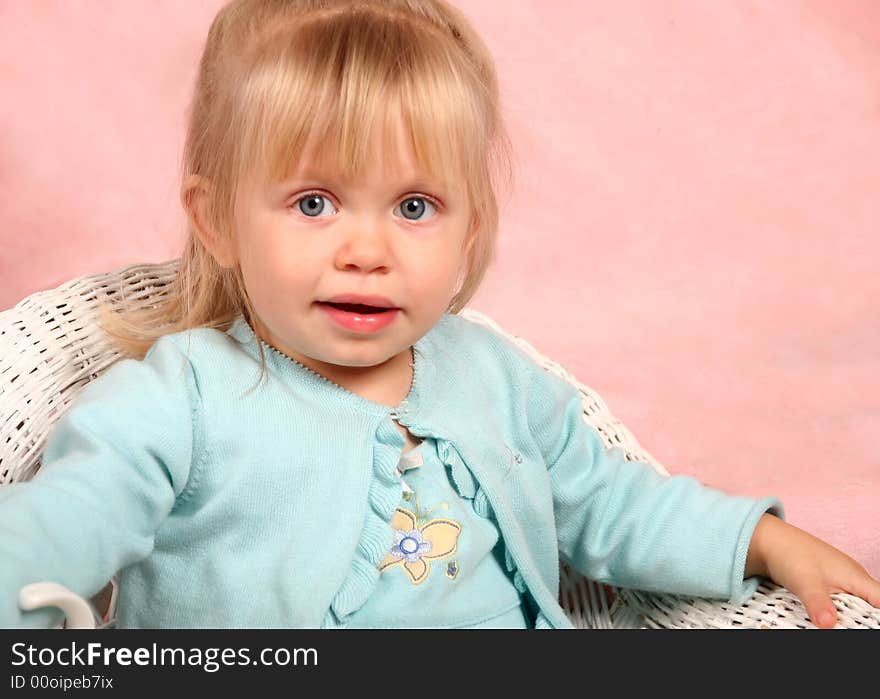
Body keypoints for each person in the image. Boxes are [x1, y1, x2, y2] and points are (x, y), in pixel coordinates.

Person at [2, 0, 878, 629]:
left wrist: (755, 538)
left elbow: (613, 502)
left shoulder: (493, 376)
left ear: (470, 231)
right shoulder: (183, 396)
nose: (367, 249)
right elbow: (67, 522)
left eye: (414, 207)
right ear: (218, 219)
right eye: (314, 203)